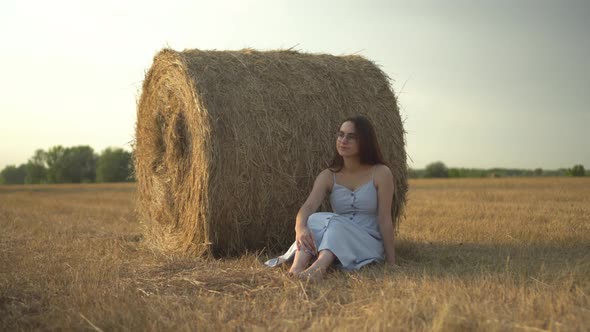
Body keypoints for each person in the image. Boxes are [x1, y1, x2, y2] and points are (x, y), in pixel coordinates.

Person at [265, 115, 397, 280]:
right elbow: (307, 207)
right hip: (335, 235)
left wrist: (391, 263)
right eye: (341, 135)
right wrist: (300, 228)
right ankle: (296, 269)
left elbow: (385, 219)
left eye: (351, 137)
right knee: (313, 219)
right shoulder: (328, 175)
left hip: (367, 241)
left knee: (335, 224)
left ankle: (318, 269)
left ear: (365, 141)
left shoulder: (381, 173)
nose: (343, 140)